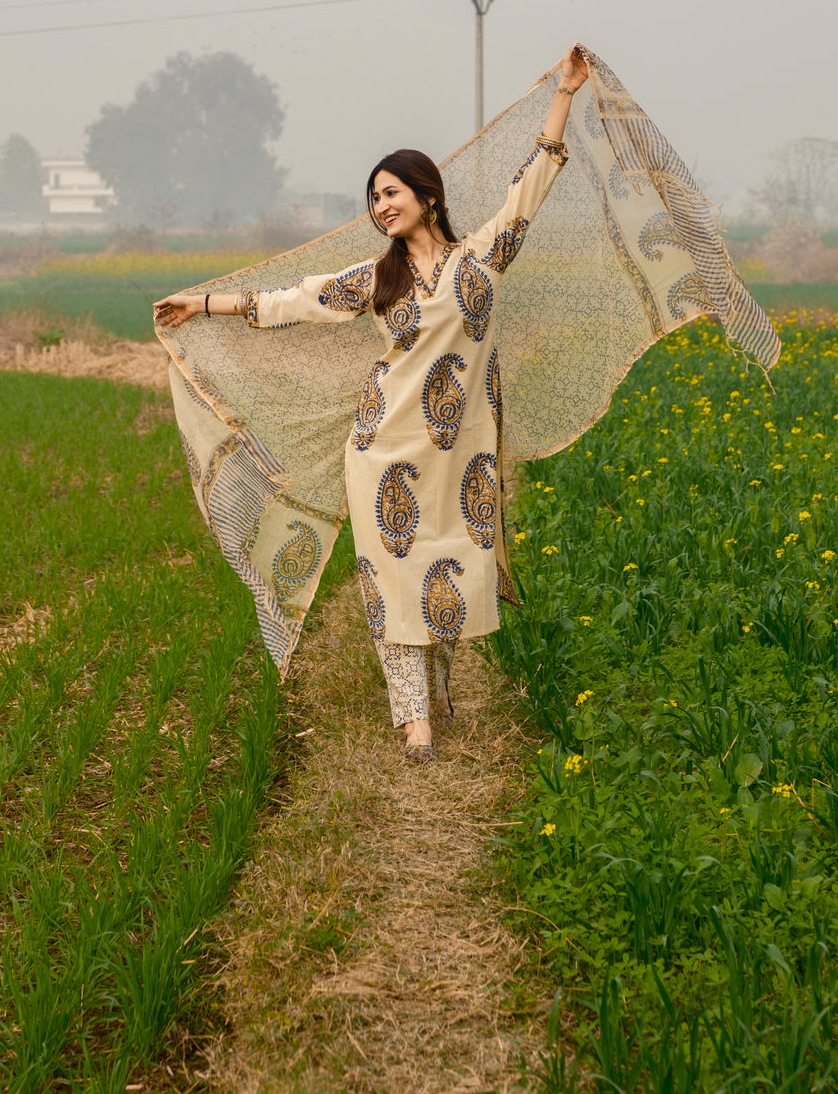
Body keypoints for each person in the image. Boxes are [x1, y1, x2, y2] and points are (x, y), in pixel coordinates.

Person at [155, 46, 590, 761]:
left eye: (391, 192)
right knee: (394, 579)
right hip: (385, 449)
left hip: (461, 457)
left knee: (453, 573)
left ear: (428, 194)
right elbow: (293, 301)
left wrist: (563, 95)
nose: (381, 206)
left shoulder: (482, 258)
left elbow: (531, 187)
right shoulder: (374, 280)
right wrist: (205, 303)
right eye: (374, 199)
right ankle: (413, 718)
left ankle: (439, 694)